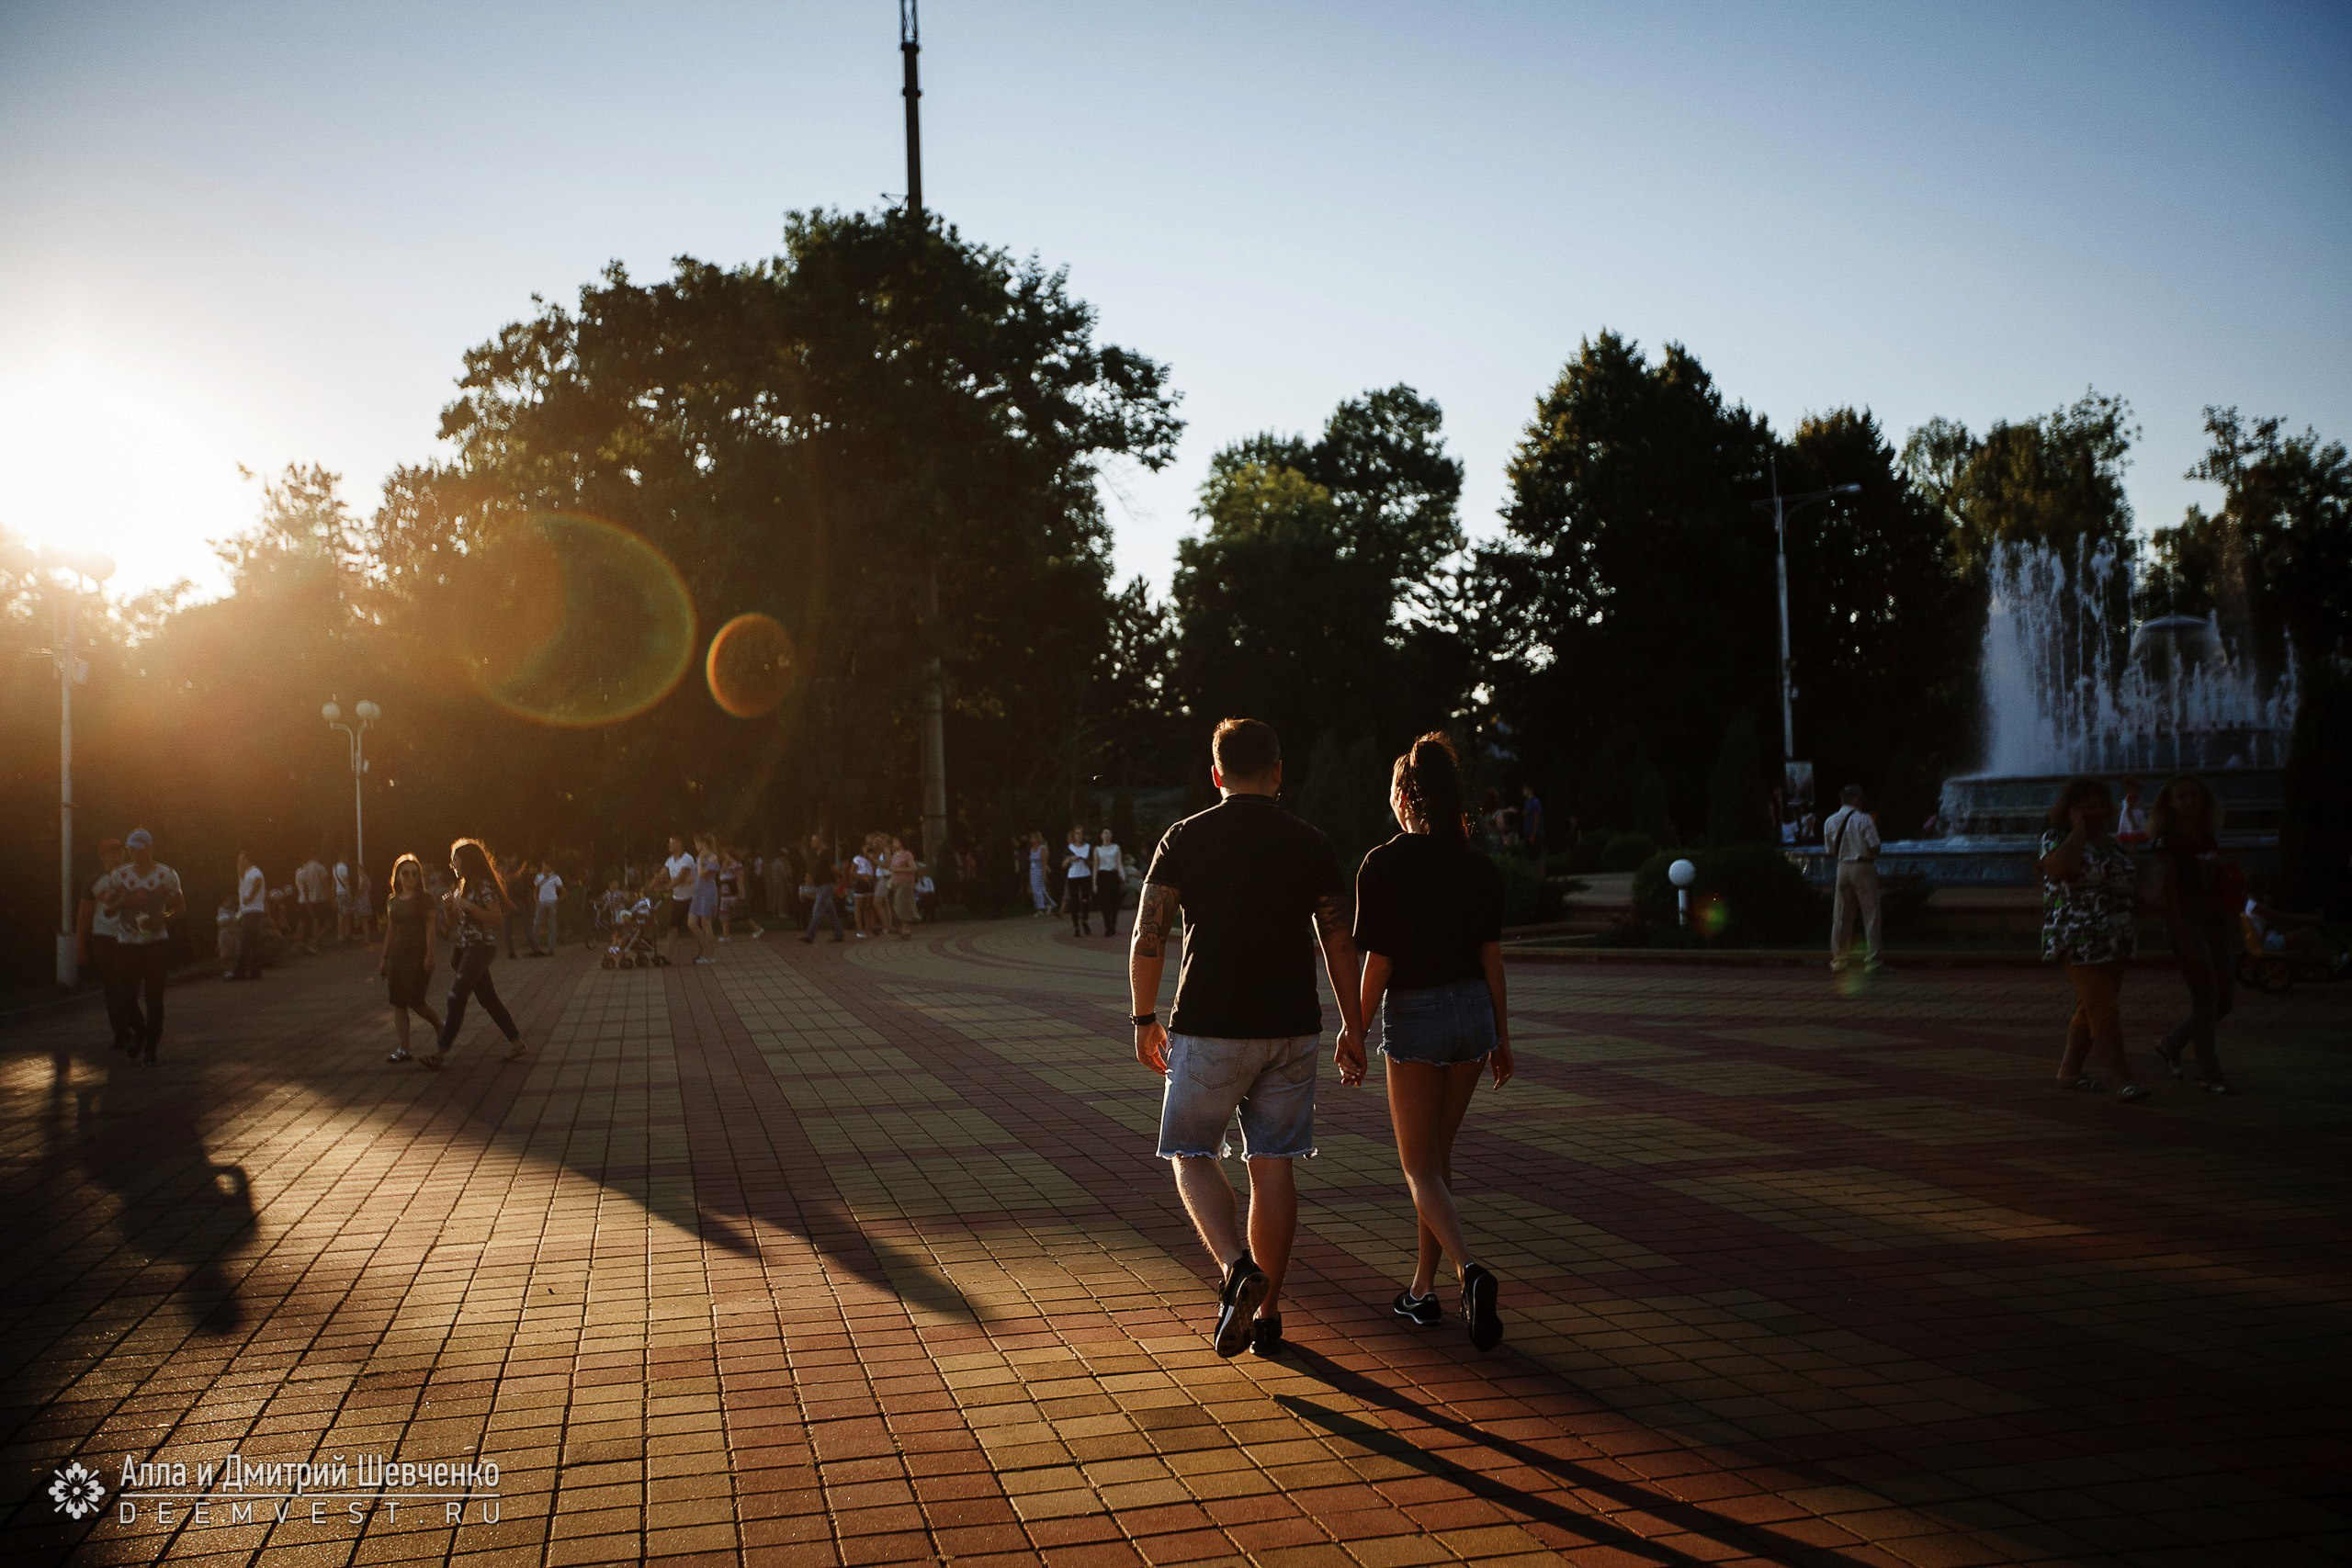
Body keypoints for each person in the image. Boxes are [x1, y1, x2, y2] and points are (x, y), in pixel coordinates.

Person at [1129, 717, 1365, 1360]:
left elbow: (1148, 935)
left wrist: (1142, 1015)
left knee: (1188, 1148)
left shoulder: (1184, 837)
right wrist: (1355, 1024)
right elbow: (1338, 939)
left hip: (1209, 1023)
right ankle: (1268, 1316)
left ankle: (1236, 1265)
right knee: (1274, 1165)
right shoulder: (1311, 841)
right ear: (1279, 771)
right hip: (1291, 1025)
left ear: (1216, 773)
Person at [1356, 733, 1512, 1352]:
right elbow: (1493, 960)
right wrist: (1503, 1036)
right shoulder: (1478, 864)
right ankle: (1423, 1289)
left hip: (1418, 1016)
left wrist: (1354, 1029)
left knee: (1418, 1165)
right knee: (1437, 1161)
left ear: (1403, 796)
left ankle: (1470, 1271)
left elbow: (1380, 962)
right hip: (1473, 1014)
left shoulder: (1384, 861)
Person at [2039, 777, 2146, 1101]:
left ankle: (2069, 1072)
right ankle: (2123, 1078)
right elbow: (2059, 869)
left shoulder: (2113, 844)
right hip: (2076, 937)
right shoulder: (2055, 838)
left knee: (2091, 1007)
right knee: (2103, 1009)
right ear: (2072, 810)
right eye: (2088, 806)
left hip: (2115, 937)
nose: (2097, 811)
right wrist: (2079, 831)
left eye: (2101, 804)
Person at [2148, 775, 2236, 1093]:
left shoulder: (2206, 834)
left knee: (2224, 999)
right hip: (2187, 924)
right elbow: (2167, 891)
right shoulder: (2165, 840)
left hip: (2216, 922)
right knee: (2206, 998)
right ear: (2169, 803)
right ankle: (2208, 1073)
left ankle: (2172, 1044)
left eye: (2195, 795)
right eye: (2182, 797)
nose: (2189, 802)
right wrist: (2182, 935)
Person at [424, 839, 526, 1069]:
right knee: (488, 999)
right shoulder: (462, 886)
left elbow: (497, 919)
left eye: (455, 862)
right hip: (465, 950)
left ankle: (439, 1053)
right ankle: (517, 1043)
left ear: (466, 861)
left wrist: (467, 906)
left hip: (481, 947)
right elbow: (450, 926)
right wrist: (450, 908)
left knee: (455, 996)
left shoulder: (482, 886)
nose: (453, 867)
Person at [99, 829, 182, 1066]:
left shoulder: (166, 875)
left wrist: (161, 918)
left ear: (150, 848)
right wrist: (124, 901)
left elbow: (180, 908)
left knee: (154, 997)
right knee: (126, 996)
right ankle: (140, 1030)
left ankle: (151, 1048)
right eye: (132, 849)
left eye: (140, 848)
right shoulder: (119, 876)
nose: (136, 854)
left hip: (156, 942)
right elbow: (107, 909)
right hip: (128, 943)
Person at [380, 855, 445, 1065]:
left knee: (416, 1001)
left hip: (418, 956)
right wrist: (384, 958)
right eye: (406, 873)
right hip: (397, 957)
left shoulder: (425, 899)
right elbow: (390, 931)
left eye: (415, 873)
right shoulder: (393, 900)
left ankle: (440, 1027)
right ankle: (404, 1048)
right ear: (398, 876)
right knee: (399, 1003)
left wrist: (430, 954)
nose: (410, 877)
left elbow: (430, 927)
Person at [77, 838, 134, 1053]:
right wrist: (81, 947)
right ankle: (121, 1033)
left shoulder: (131, 877)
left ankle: (133, 1025)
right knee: (112, 987)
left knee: (129, 984)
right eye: (110, 853)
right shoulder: (94, 881)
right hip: (103, 938)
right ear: (102, 857)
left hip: (127, 936)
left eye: (118, 852)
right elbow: (84, 915)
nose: (116, 856)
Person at [1820, 784, 1883, 972]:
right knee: (1871, 915)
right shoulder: (1864, 820)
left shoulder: (1830, 821)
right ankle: (1873, 960)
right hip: (1863, 866)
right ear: (1856, 799)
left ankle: (1839, 959)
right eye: (1861, 799)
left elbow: (1829, 850)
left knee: (1841, 915)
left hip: (1842, 868)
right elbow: (1875, 846)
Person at [230, 851, 268, 980]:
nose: (238, 862)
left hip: (252, 910)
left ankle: (240, 971)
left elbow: (258, 882)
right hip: (249, 911)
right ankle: (255, 970)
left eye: (240, 859)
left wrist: (250, 897)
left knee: (245, 941)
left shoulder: (254, 872)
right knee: (253, 942)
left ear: (246, 860)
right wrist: (239, 871)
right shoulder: (246, 874)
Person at [660, 836, 698, 963]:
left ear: (679, 844)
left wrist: (666, 888)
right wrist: (649, 886)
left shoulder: (687, 859)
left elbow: (680, 878)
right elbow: (662, 874)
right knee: (673, 926)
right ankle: (667, 956)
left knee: (696, 926)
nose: (668, 845)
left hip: (692, 897)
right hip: (679, 898)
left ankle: (703, 953)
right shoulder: (670, 860)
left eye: (671, 843)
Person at [801, 835, 844, 943]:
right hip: (820, 886)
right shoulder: (819, 855)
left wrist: (838, 878)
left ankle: (810, 935)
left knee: (817, 909)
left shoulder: (827, 854)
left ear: (821, 841)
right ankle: (839, 934)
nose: (812, 843)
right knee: (831, 911)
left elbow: (834, 868)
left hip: (826, 885)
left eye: (814, 841)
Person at [688, 833, 721, 962]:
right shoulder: (700, 858)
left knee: (706, 924)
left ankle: (710, 954)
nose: (695, 846)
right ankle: (706, 948)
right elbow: (695, 876)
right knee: (691, 923)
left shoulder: (712, 858)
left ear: (703, 844)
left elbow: (702, 874)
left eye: (696, 843)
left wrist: (701, 860)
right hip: (697, 894)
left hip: (707, 894)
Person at [1092, 827, 1126, 938]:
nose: (1107, 835)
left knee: (1114, 902)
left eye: (1109, 833)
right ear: (1101, 836)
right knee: (1105, 902)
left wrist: (1122, 877)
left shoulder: (1116, 847)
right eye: (1105, 833)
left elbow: (1119, 863)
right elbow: (1096, 866)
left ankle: (1113, 925)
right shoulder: (1098, 849)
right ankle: (1107, 926)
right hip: (1102, 875)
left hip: (1113, 874)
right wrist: (1094, 882)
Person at [296, 850, 332, 953]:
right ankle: (314, 941)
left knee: (314, 920)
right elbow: (325, 883)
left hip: (310, 899)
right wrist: (330, 897)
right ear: (318, 855)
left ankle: (307, 943)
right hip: (320, 898)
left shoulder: (304, 869)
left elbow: (305, 888)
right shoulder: (320, 867)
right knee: (328, 922)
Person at [1060, 827, 1093, 937]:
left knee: (1085, 899)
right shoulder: (1069, 848)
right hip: (1073, 876)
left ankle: (1084, 920)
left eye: (1081, 834)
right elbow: (1063, 865)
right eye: (1077, 834)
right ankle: (1076, 926)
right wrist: (1070, 859)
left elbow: (1093, 863)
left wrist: (1085, 860)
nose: (1079, 836)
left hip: (1085, 875)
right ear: (1074, 835)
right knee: (1074, 901)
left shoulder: (1088, 847)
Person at [888, 837, 922, 939]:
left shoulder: (907, 854)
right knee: (897, 904)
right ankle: (902, 927)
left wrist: (899, 870)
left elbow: (913, 867)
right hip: (896, 882)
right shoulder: (894, 855)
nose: (894, 843)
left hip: (906, 882)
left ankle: (905, 928)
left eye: (896, 841)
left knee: (900, 904)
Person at [531, 860, 564, 955]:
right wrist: (536, 900)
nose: (544, 867)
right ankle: (536, 947)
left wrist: (557, 901)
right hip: (541, 902)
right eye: (543, 865)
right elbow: (535, 890)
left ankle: (551, 949)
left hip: (551, 902)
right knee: (537, 924)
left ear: (549, 867)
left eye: (545, 865)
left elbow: (563, 891)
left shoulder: (555, 877)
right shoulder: (539, 876)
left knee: (551, 925)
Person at [2115, 777, 2150, 849]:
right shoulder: (2130, 798)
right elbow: (2128, 811)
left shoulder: (2134, 798)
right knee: (2132, 839)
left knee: (2134, 839)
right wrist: (2133, 822)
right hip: (2132, 820)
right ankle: (2132, 854)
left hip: (2136, 820)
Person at [1518, 782, 1545, 861]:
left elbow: (1537, 818)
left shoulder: (1535, 802)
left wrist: (1533, 834)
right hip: (1528, 833)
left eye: (1525, 789)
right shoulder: (1528, 802)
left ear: (1530, 790)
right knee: (1530, 856)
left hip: (1534, 834)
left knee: (1535, 857)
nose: (1523, 791)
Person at [333, 851, 355, 944]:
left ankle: (340, 935)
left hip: (338, 892)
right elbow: (346, 881)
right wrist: (350, 894)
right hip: (344, 892)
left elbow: (333, 882)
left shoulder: (334, 867)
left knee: (341, 914)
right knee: (346, 914)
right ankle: (346, 934)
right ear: (343, 858)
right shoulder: (344, 867)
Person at [1027, 831, 1051, 915]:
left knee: (1042, 889)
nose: (1031, 840)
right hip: (1033, 871)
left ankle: (1048, 905)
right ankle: (1039, 908)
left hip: (1040, 870)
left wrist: (1044, 874)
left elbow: (1044, 862)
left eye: (1033, 838)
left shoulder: (1042, 848)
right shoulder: (1032, 848)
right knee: (1035, 890)